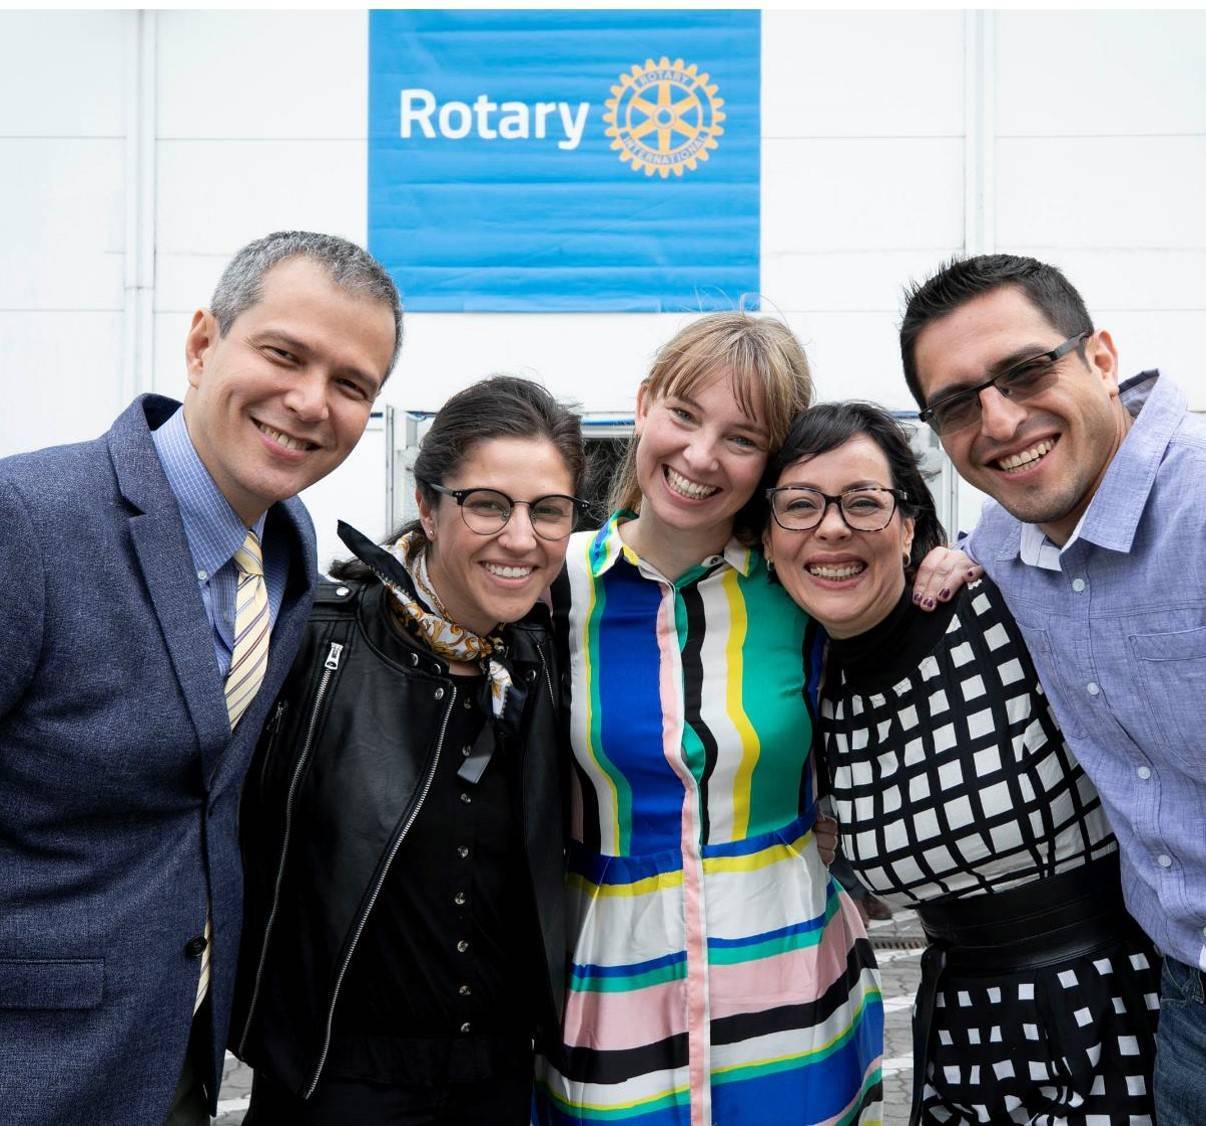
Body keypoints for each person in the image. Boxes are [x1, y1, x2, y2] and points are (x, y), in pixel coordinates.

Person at [0, 230, 401, 1125]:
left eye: (350, 386)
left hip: (179, 1059)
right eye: (284, 354)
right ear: (200, 343)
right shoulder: (28, 520)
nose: (309, 402)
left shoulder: (295, 560)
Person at [764, 400, 1160, 1124]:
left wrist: (994, 545)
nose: (831, 527)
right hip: (960, 1031)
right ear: (766, 539)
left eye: (863, 502)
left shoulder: (1000, 604)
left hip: (1118, 1002)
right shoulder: (801, 690)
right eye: (798, 506)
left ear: (910, 524)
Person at [535, 312, 887, 1126]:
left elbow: (900, 581)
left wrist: (942, 557)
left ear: (770, 464)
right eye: (684, 415)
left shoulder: (802, 584)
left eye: (742, 437)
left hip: (791, 981)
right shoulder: (555, 587)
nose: (700, 456)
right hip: (609, 987)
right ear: (645, 405)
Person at [901, 254, 1206, 1123]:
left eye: (1027, 370)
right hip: (1187, 1003)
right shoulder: (1002, 547)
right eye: (959, 403)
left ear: (1102, 357)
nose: (999, 420)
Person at [234, 376, 585, 1124]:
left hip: (500, 1080)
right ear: (428, 506)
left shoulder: (556, 654)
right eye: (488, 504)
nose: (520, 538)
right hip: (331, 1079)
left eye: (547, 511)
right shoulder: (310, 638)